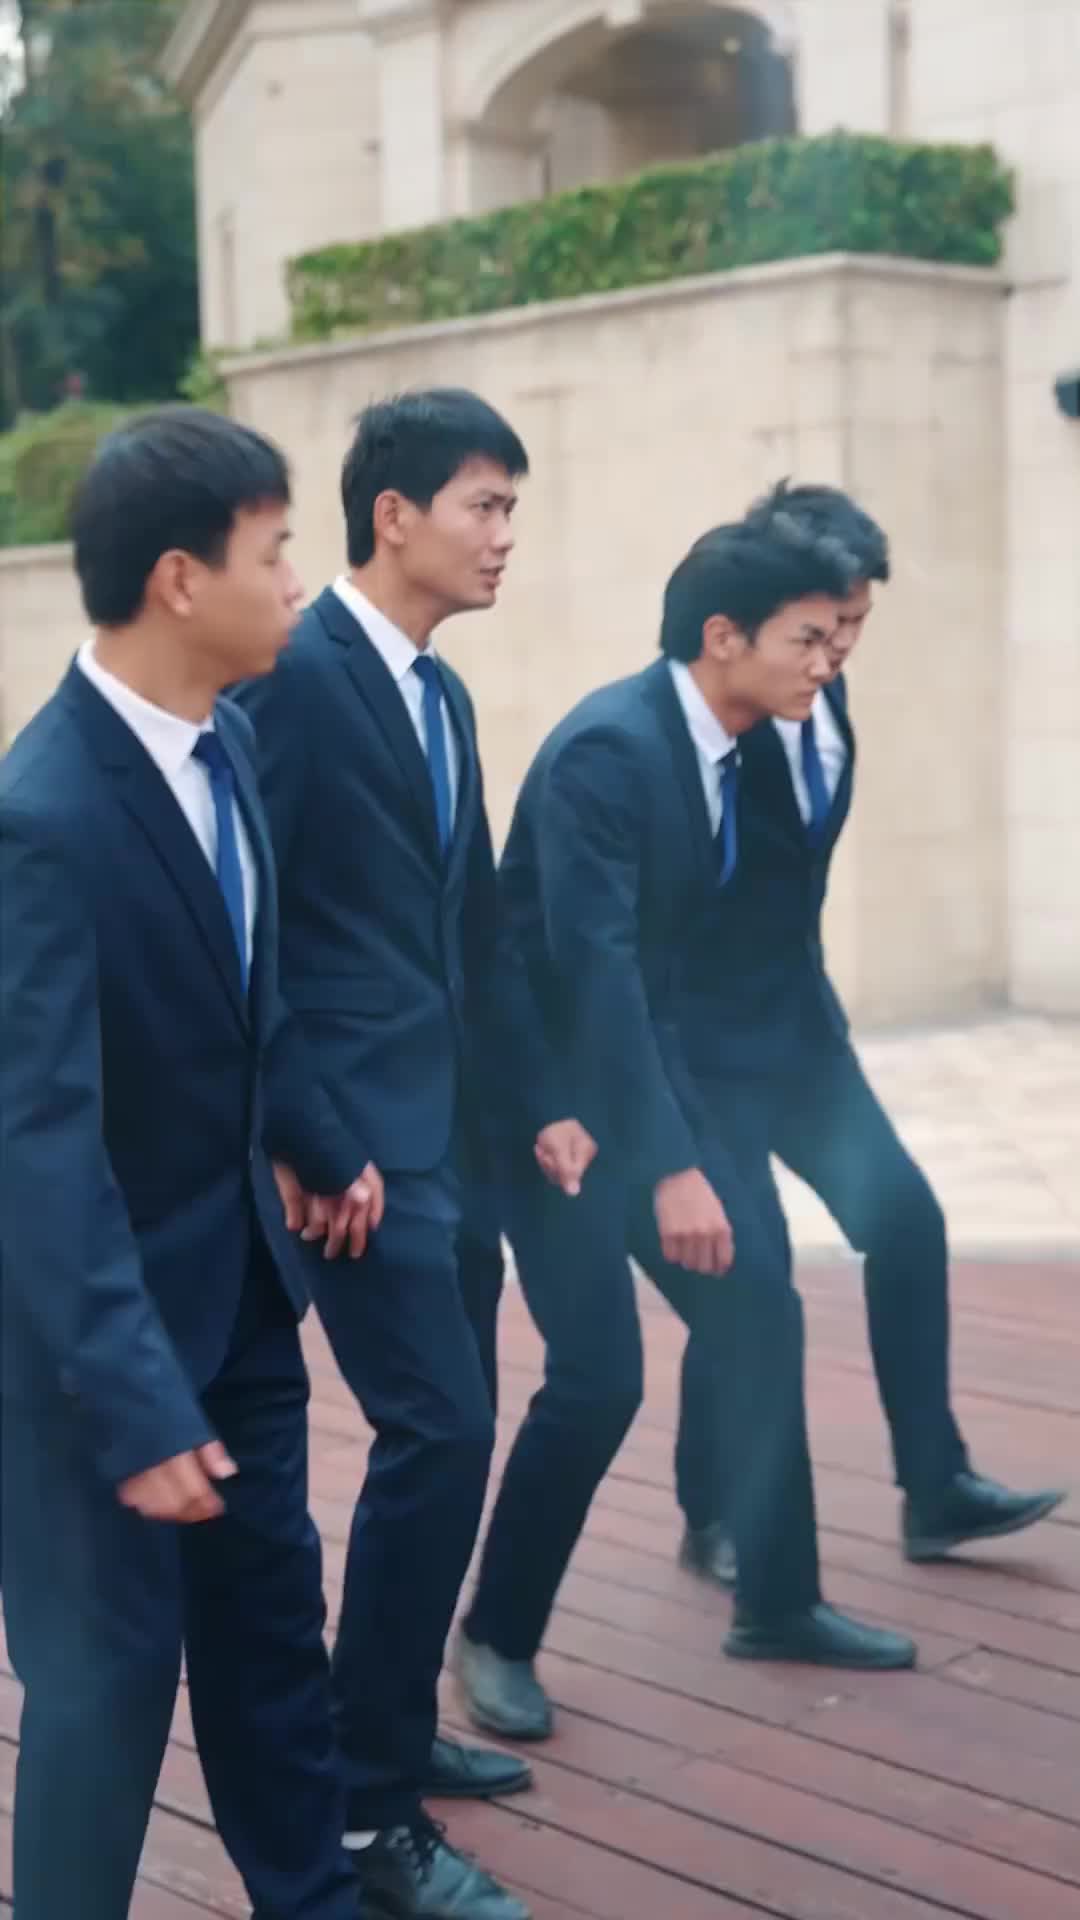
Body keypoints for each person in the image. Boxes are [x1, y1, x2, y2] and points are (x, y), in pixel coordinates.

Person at [454, 516, 921, 1750]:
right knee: (598, 1375)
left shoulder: (728, 739)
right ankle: (495, 1635)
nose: (829, 661)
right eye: (807, 639)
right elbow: (593, 970)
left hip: (637, 1076)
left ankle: (777, 1602)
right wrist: (672, 1168)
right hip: (542, 1106)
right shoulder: (610, 751)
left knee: (758, 1305)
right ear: (724, 637)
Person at [0, 408, 377, 1919]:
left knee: (274, 1642)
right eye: (275, 553)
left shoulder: (231, 742)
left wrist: (320, 1141)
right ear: (177, 579)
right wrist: (138, 1402)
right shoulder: (42, 818)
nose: (297, 584)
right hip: (96, 1364)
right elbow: (39, 1140)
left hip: (243, 1304)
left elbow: (246, 997)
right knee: (103, 1695)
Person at [235, 388, 532, 1920]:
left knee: (449, 1433)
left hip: (449, 1138)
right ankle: (366, 1809)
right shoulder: (295, 676)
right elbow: (247, 919)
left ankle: (392, 1726)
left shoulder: (444, 694)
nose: (505, 537)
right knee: (440, 1433)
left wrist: (533, 1106)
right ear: (394, 513)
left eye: (512, 510)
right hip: (351, 1152)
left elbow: (465, 920)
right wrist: (308, 1131)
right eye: (485, 505)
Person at [674, 482, 1064, 1588]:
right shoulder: (717, 714)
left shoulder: (824, 697)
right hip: (707, 1057)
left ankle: (934, 1487)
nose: (839, 649)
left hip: (802, 1038)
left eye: (854, 624)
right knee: (746, 1277)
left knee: (907, 1221)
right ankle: (714, 1513)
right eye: (825, 624)